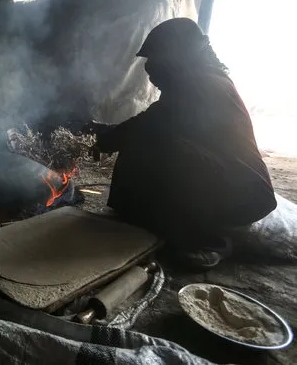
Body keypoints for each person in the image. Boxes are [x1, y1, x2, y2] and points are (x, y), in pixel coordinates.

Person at [90, 18, 277, 270]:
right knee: (146, 143)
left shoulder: (203, 85)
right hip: (225, 179)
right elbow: (150, 122)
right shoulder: (196, 81)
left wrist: (105, 138)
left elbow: (151, 124)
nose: (151, 67)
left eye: (156, 58)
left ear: (179, 55)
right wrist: (106, 135)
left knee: (166, 147)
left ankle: (212, 241)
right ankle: (140, 216)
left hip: (243, 193)